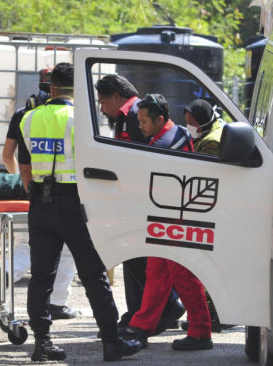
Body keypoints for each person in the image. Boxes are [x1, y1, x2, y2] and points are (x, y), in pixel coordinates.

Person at [18, 63, 141, 362]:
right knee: (93, 273)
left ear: (52, 87)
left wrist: (35, 193)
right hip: (74, 203)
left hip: (40, 202)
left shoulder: (29, 119)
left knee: (41, 277)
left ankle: (42, 344)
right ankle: (112, 342)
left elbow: (24, 167)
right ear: (77, 89)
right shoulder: (80, 120)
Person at [94, 75, 185, 331]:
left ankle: (163, 307)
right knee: (134, 256)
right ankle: (141, 310)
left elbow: (145, 158)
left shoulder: (135, 114)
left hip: (144, 199)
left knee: (138, 257)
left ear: (116, 97)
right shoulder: (127, 115)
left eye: (103, 102)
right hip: (135, 198)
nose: (102, 109)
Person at [123, 93, 213, 351]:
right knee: (157, 271)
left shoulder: (163, 144)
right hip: (170, 215)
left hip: (177, 217)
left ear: (159, 119)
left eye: (143, 121)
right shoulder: (177, 133)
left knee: (182, 275)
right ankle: (142, 325)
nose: (139, 126)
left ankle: (201, 332)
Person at [0, 66, 79, 320]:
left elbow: (8, 156)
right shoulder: (74, 116)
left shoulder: (25, 114)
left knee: (26, 246)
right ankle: (57, 302)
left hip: (30, 190)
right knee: (66, 251)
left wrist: (20, 184)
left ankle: (5, 272)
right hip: (66, 192)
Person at [180, 99, 232, 333]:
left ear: (203, 121)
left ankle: (214, 315)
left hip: (216, 211)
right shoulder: (215, 129)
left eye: (192, 123)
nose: (189, 127)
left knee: (209, 266)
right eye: (187, 122)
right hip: (223, 209)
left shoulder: (209, 143)